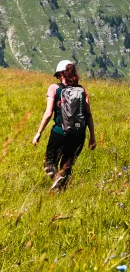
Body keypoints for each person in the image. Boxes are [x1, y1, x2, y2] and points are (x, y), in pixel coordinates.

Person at [32, 60, 96, 191]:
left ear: (60, 74)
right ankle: (60, 194)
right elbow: (88, 114)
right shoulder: (82, 90)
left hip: (60, 132)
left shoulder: (54, 88)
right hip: (79, 134)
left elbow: (49, 112)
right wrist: (92, 136)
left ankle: (56, 178)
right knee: (67, 166)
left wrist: (39, 132)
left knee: (49, 163)